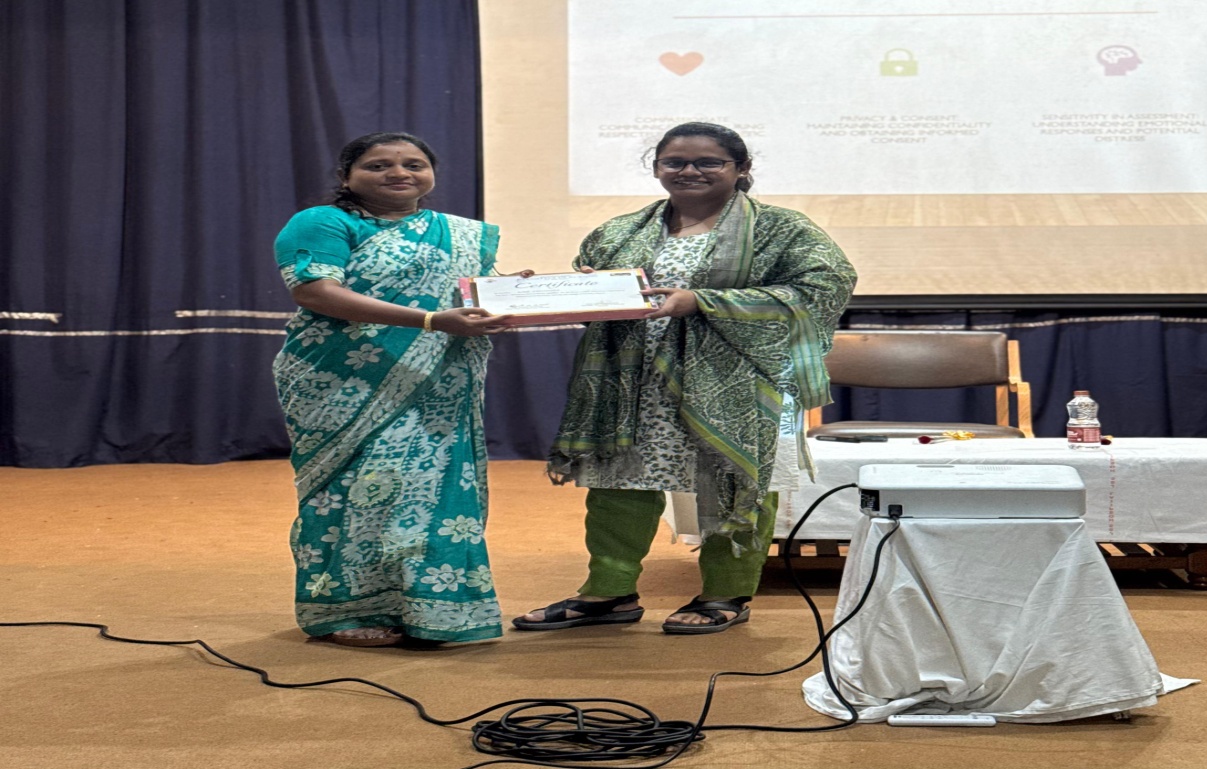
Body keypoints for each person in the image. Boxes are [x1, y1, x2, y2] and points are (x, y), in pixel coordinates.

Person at [515, 122, 856, 635]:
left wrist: (701, 301)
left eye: (708, 162)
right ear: (657, 168)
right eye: (674, 162)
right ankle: (608, 592)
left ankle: (726, 592)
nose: (689, 171)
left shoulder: (783, 229)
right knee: (617, 479)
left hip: (735, 383)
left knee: (735, 481)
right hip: (631, 382)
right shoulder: (618, 231)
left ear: (741, 169)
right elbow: (594, 292)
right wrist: (560, 292)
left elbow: (826, 286)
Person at [273, 132, 519, 648]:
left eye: (413, 164)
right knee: (350, 490)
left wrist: (522, 293)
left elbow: (471, 298)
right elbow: (316, 292)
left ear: (431, 173)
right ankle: (343, 610)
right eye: (378, 165)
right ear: (347, 176)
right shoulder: (323, 222)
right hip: (343, 380)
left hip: (437, 387)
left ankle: (431, 608)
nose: (399, 173)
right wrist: (431, 320)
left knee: (431, 489)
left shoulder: (457, 233)